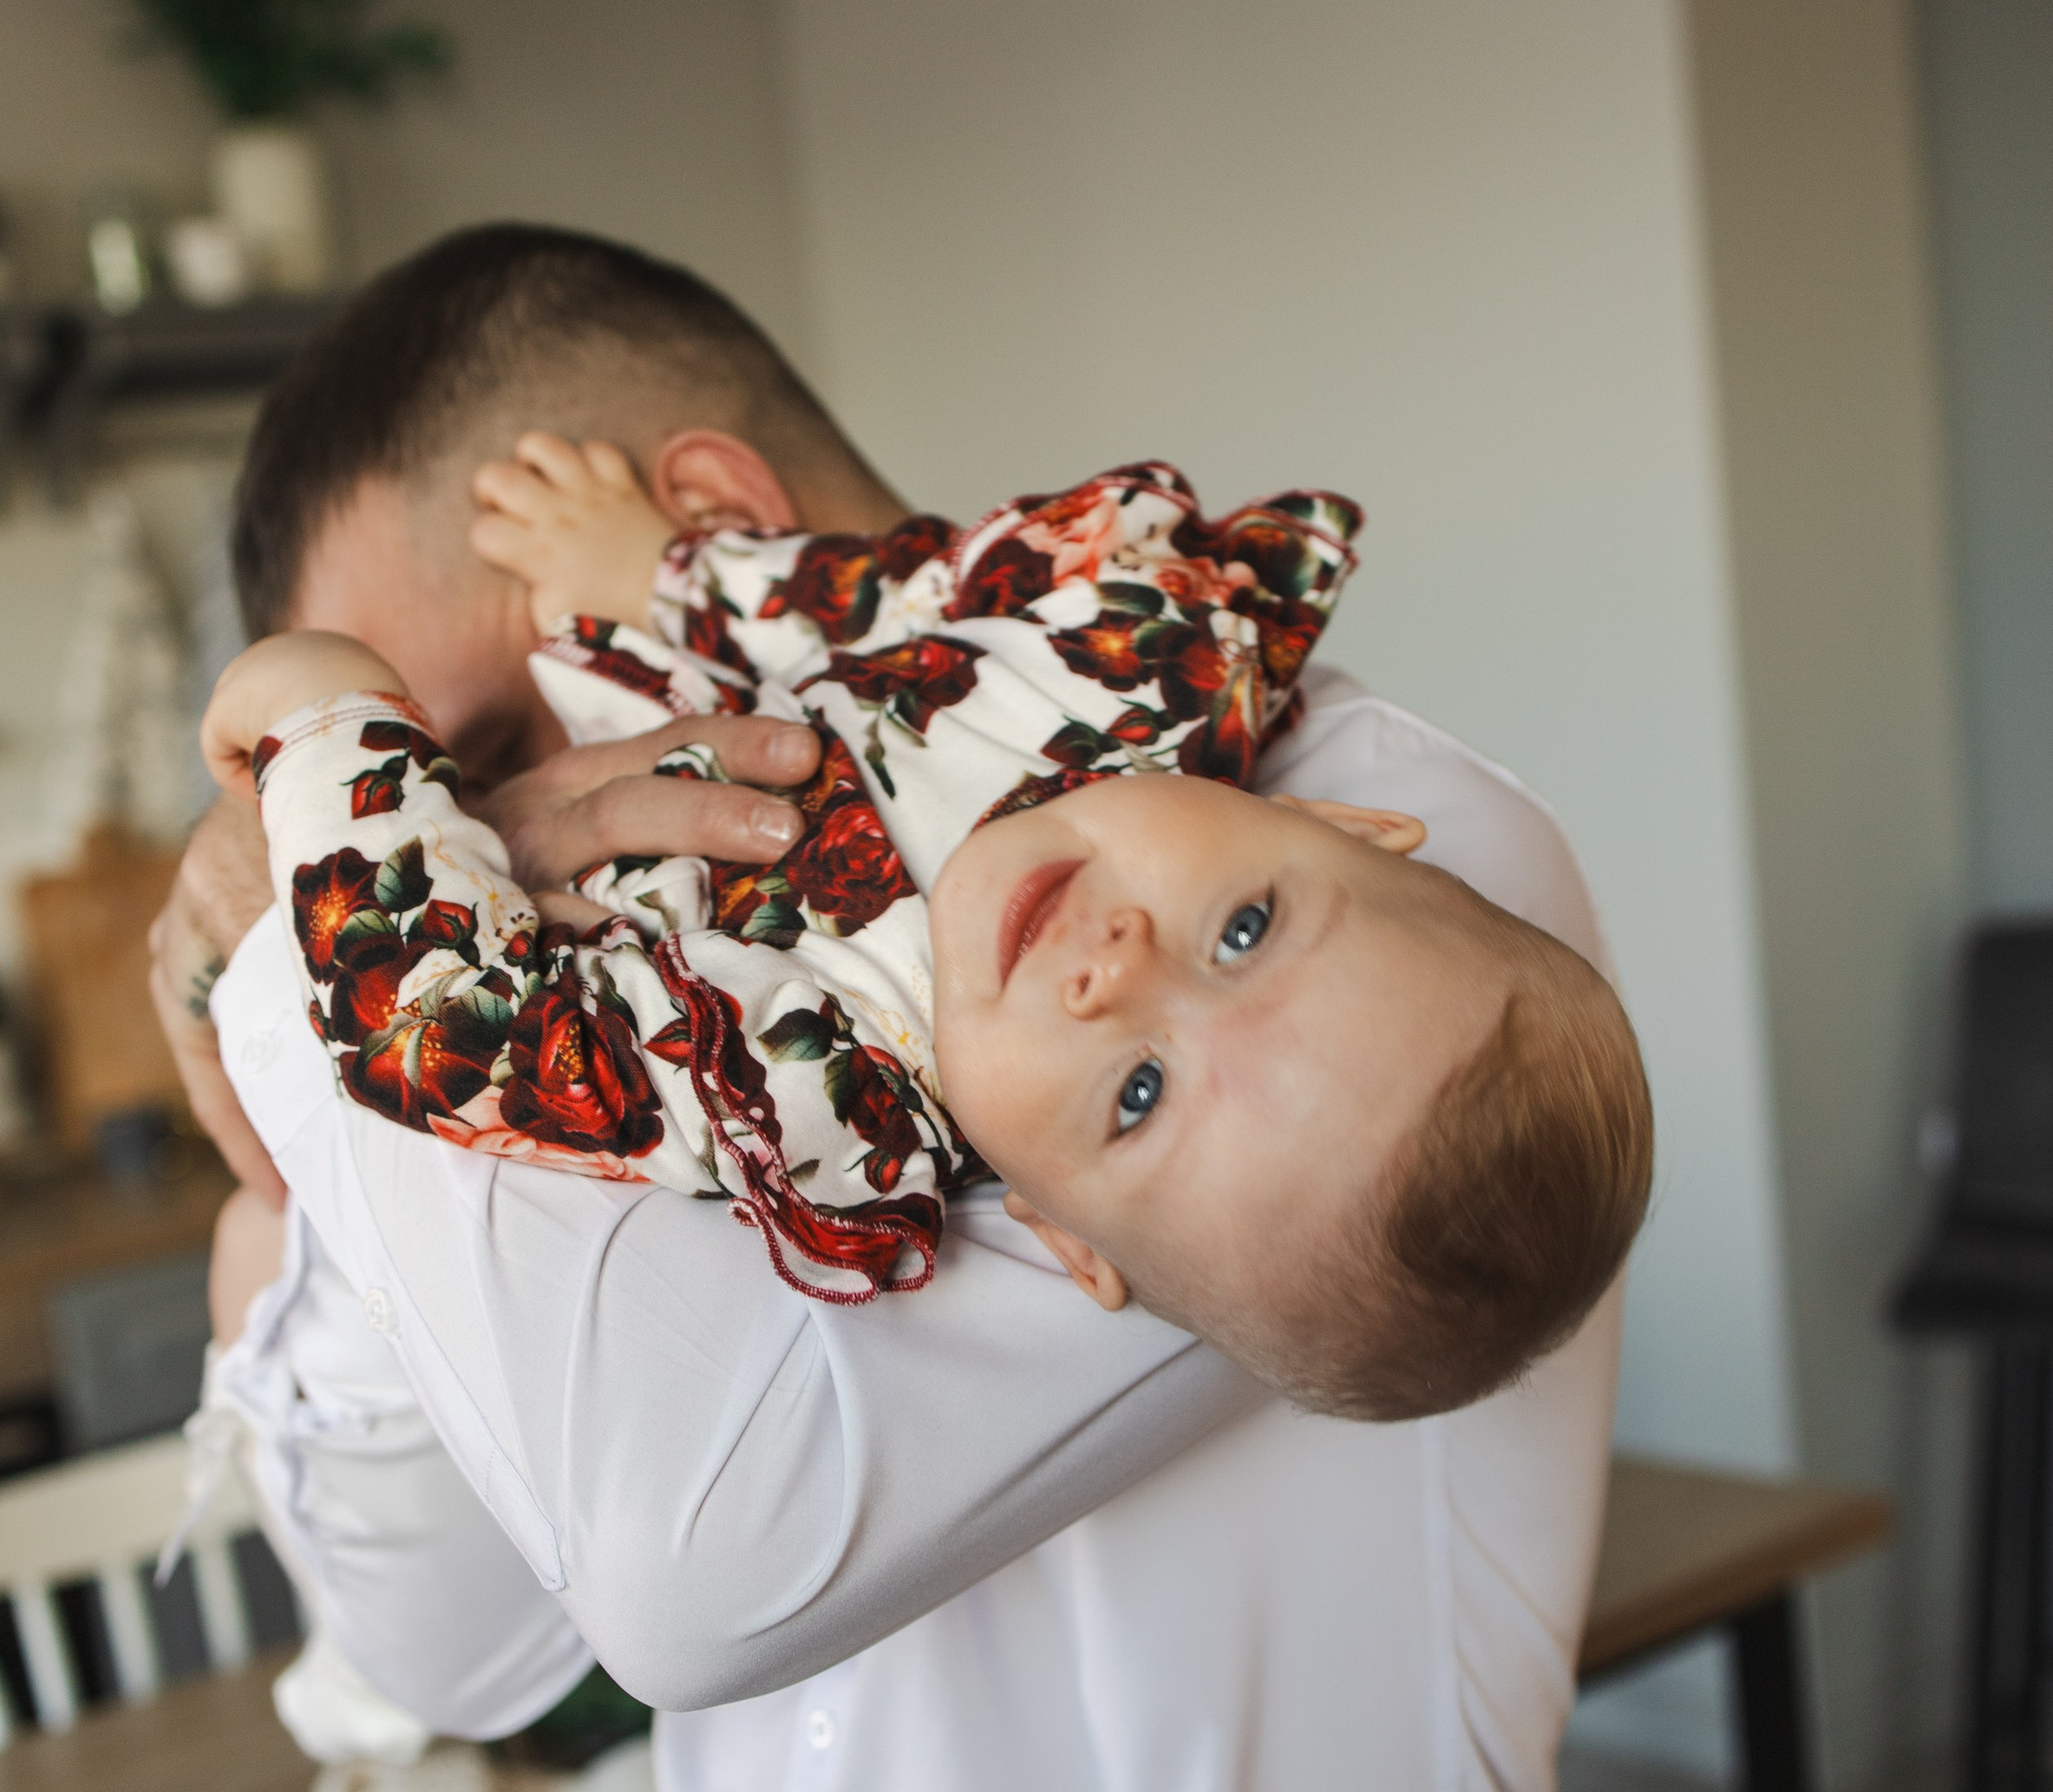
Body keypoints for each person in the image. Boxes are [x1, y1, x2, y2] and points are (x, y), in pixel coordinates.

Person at [166, 222, 1621, 1792]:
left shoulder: (1326, 906)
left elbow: (695, 1567)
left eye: (477, 734)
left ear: (695, 522)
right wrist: (323, 1122)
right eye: (429, 781)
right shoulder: (685, 1009)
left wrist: (333, 946)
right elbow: (451, 1645)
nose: (478, 833)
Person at [202, 428, 1649, 1414]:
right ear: (1335, 826)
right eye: (1248, 931)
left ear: (1059, 1235)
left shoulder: (833, 1095)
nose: (1116, 970)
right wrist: (680, 577)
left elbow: (453, 1031)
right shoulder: (1147, 662)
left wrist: (328, 716)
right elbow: (931, 594)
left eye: (1139, 1094)